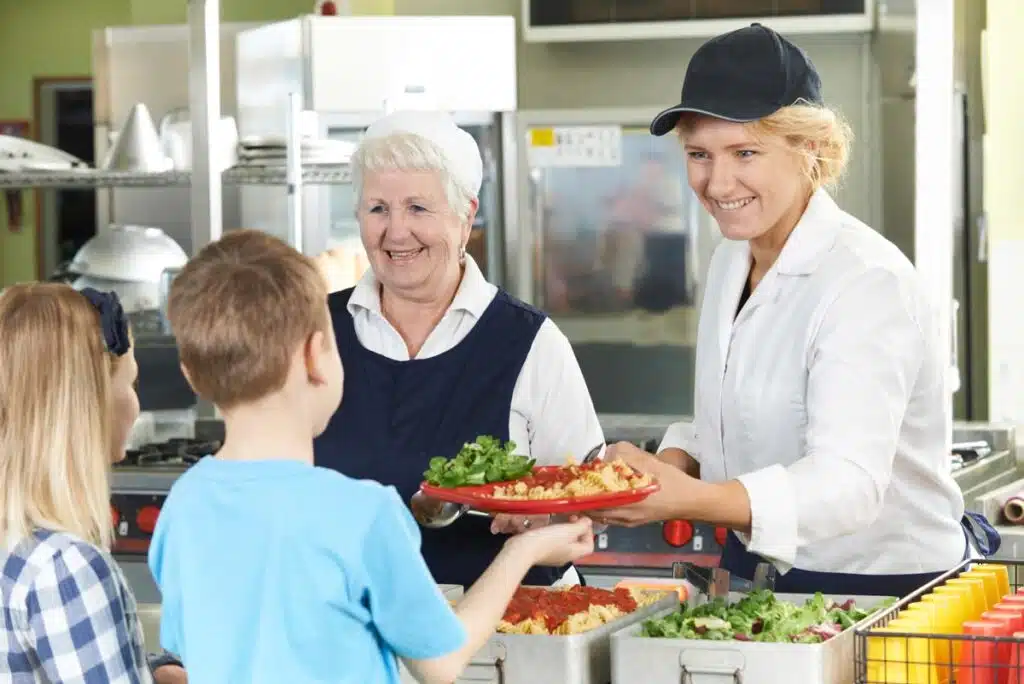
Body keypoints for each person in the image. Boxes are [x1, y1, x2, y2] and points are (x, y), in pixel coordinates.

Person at [589, 23, 1000, 597]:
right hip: (761, 578)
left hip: (883, 592)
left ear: (810, 149)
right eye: (699, 154)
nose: (717, 181)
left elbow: (848, 485)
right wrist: (669, 463)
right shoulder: (731, 260)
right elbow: (732, 417)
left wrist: (689, 499)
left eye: (746, 152)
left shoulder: (865, 281)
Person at [149, 229, 594, 684]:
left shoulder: (185, 504)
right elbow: (441, 661)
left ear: (192, 376)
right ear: (315, 357)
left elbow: (188, 659)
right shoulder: (362, 514)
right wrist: (524, 550)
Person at [312, 110, 604, 588]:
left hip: (509, 634)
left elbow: (585, 502)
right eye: (378, 209)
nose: (396, 231)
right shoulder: (313, 330)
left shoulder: (530, 342)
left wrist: (543, 520)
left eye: (418, 209)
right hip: (349, 630)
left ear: (466, 216)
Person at [0, 283, 185, 684]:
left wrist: (146, 670)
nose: (135, 405)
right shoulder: (65, 570)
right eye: (131, 384)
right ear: (91, 401)